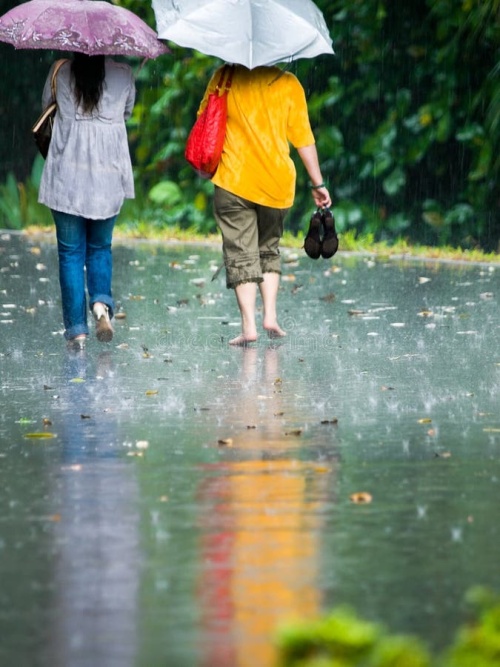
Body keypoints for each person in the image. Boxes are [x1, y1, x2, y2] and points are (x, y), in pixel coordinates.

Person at [196, 64, 332, 346]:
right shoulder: (289, 83)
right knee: (268, 248)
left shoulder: (225, 76)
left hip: (233, 180)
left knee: (240, 252)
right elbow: (303, 139)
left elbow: (204, 118)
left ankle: (249, 326)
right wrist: (318, 184)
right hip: (276, 184)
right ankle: (270, 315)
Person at [38, 53, 136, 350]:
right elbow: (126, 114)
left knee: (70, 255)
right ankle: (100, 306)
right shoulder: (124, 74)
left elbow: (46, 108)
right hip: (107, 176)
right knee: (99, 248)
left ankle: (77, 332)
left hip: (67, 176)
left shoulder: (60, 71)